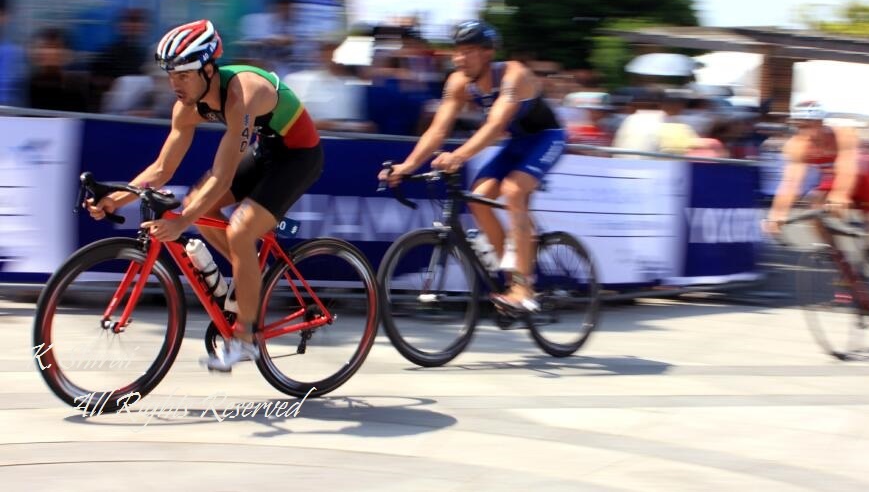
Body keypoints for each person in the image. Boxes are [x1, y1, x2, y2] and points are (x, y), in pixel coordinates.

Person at [85, 19, 323, 371]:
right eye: (170, 74)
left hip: (299, 155)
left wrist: (182, 222)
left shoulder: (241, 95)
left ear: (209, 69)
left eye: (183, 75)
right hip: (266, 150)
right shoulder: (186, 105)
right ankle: (248, 288)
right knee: (200, 204)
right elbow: (162, 169)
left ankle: (244, 340)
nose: (174, 84)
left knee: (239, 229)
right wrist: (116, 199)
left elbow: (223, 174)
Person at [379, 20, 566, 311]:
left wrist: (458, 157)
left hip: (546, 138)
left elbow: (495, 125)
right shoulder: (458, 82)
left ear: (487, 53)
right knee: (479, 199)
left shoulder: (513, 75)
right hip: (516, 142)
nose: (459, 58)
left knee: (514, 191)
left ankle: (523, 287)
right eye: (457, 51)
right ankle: (512, 279)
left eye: (468, 51)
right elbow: (437, 131)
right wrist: (407, 166)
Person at [763, 101, 869, 331]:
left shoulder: (844, 134)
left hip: (864, 178)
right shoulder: (797, 145)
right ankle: (838, 258)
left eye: (811, 125)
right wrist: (777, 213)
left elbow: (848, 167)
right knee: (813, 206)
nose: (807, 131)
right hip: (834, 179)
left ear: (821, 123)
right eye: (801, 126)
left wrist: (840, 194)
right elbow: (791, 182)